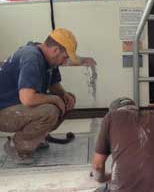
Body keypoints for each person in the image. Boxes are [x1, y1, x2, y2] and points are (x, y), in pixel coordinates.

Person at [0, 28, 94, 164]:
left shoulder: (47, 57)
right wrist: (55, 99)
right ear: (55, 50)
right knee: (49, 111)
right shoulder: (31, 58)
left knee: (67, 99)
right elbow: (28, 98)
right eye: (65, 57)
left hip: (15, 106)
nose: (64, 61)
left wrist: (63, 95)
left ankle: (36, 137)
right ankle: (17, 146)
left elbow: (53, 84)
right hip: (4, 112)